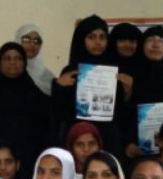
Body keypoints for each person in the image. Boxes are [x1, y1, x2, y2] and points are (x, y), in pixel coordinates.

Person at [0, 42, 50, 179]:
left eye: (18, 58)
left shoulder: (36, 97)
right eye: (7, 58)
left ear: (24, 63)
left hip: (28, 162)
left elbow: (46, 131)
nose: (13, 62)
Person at [52, 15, 127, 157]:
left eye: (102, 37)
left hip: (108, 140)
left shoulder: (115, 72)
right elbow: (59, 112)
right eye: (91, 37)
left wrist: (127, 92)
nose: (98, 42)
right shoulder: (71, 71)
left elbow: (122, 113)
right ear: (81, 39)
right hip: (78, 141)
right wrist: (59, 87)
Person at [125, 26, 163, 160]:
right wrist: (127, 143)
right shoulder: (129, 76)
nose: (156, 44)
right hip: (135, 151)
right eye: (150, 40)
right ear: (141, 45)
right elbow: (122, 115)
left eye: (161, 41)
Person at [15, 23, 55, 96]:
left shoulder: (48, 76)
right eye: (26, 39)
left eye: (36, 41)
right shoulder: (10, 71)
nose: (32, 44)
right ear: (18, 41)